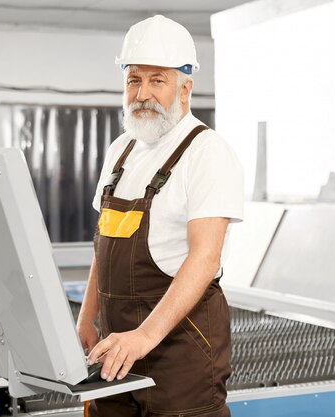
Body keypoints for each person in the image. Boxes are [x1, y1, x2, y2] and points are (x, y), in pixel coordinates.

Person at [76, 14, 243, 417]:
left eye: (157, 80)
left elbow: (205, 259)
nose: (143, 93)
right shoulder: (121, 151)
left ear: (185, 88)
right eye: (134, 80)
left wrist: (145, 336)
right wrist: (86, 316)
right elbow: (105, 245)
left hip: (181, 352)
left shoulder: (207, 153)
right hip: (117, 349)